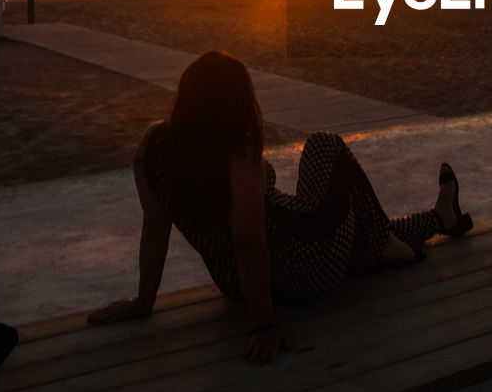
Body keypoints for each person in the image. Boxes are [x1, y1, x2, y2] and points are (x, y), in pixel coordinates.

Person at [88, 52, 472, 364]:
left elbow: (155, 229)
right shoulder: (238, 148)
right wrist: (263, 325)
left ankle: (440, 217)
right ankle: (392, 239)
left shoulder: (154, 147)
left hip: (237, 284)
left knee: (362, 232)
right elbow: (249, 241)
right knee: (324, 144)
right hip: (310, 267)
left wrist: (144, 300)